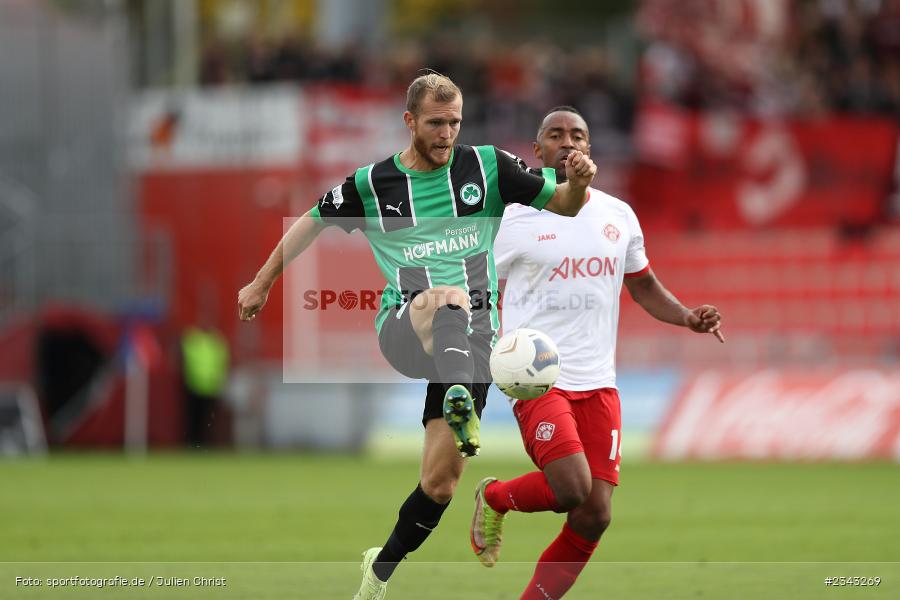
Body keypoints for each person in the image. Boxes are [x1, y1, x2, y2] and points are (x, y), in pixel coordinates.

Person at [237, 77, 597, 600]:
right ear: (410, 121)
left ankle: (378, 571)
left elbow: (564, 204)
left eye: (455, 122)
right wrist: (262, 281)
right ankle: (456, 398)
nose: (447, 133)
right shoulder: (373, 183)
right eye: (435, 123)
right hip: (408, 325)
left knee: (440, 484)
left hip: (474, 345)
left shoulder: (489, 167)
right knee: (449, 297)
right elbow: (312, 220)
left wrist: (581, 182)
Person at [470, 106, 724, 599]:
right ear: (537, 150)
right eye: (556, 135)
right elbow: (471, 281)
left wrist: (687, 316)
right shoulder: (514, 218)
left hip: (599, 382)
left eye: (579, 135)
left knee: (595, 514)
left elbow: (644, 285)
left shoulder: (617, 214)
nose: (569, 142)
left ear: (590, 149)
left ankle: (504, 520)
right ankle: (496, 497)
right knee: (570, 488)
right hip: (535, 376)